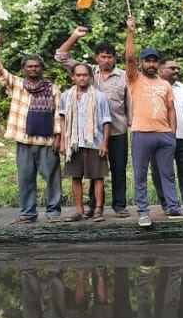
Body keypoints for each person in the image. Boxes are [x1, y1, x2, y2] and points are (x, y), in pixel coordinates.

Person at [124, 16, 183, 226]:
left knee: (168, 174)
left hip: (164, 135)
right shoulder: (134, 78)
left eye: (155, 60)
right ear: (142, 63)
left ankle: (174, 208)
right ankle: (144, 212)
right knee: (140, 176)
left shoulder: (164, 85)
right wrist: (130, 32)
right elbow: (129, 57)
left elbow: (171, 110)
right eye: (148, 60)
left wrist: (171, 134)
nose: (151, 64)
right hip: (141, 134)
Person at [55, 25, 131, 219]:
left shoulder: (124, 77)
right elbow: (61, 56)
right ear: (97, 58)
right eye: (103, 56)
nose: (106, 60)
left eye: (110, 57)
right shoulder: (88, 72)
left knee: (118, 169)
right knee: (92, 171)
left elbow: (129, 102)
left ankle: (119, 205)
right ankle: (94, 207)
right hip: (91, 134)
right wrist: (75, 36)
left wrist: (132, 124)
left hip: (117, 130)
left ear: (115, 58)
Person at [0, 34, 63, 224]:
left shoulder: (53, 89)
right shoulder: (18, 85)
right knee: (25, 179)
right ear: (23, 69)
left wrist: (59, 138)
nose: (33, 69)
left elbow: (59, 116)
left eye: (36, 66)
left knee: (53, 179)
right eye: (29, 66)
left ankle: (54, 214)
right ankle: (28, 214)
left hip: (46, 142)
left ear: (42, 68)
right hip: (23, 140)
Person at [59, 62, 113, 222]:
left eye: (85, 75)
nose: (82, 78)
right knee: (75, 177)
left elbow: (106, 122)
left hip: (94, 142)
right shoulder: (66, 96)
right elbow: (63, 120)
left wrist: (104, 143)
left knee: (98, 176)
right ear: (73, 77)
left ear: (90, 77)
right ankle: (79, 210)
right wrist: (63, 141)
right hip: (74, 143)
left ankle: (98, 209)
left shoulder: (99, 96)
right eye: (78, 75)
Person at [150, 58, 183, 214]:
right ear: (160, 70)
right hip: (161, 136)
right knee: (161, 173)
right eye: (172, 68)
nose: (176, 71)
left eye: (177, 68)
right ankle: (168, 205)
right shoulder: (153, 87)